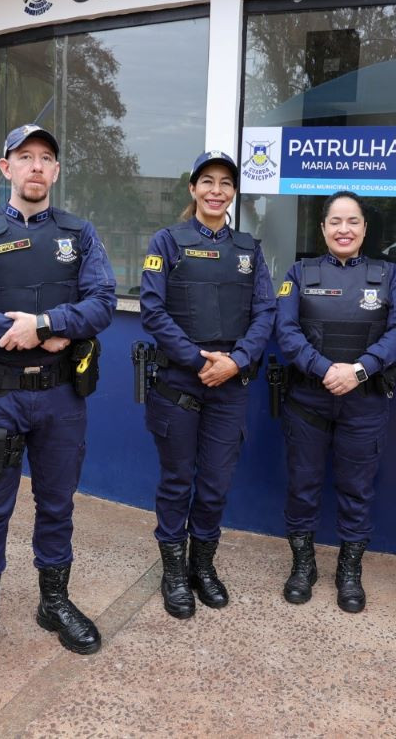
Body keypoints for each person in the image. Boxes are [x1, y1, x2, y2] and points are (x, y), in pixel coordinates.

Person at [0, 123, 116, 685]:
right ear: (5, 167)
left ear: (56, 172)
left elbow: (103, 302)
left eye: (46, 159)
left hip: (62, 398)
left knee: (57, 503)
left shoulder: (80, 234)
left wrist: (45, 323)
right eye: (25, 157)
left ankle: (53, 601)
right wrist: (19, 331)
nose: (36, 167)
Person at [138, 150, 276, 619]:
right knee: (177, 482)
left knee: (215, 484)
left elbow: (265, 313)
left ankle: (203, 566)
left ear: (234, 192)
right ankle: (173, 572)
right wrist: (201, 360)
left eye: (226, 183)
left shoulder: (249, 250)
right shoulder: (167, 242)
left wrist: (235, 361)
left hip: (230, 384)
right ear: (193, 189)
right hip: (181, 381)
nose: (217, 191)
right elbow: (152, 311)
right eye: (208, 182)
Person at [274, 191, 396, 613]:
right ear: (322, 228)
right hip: (307, 401)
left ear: (365, 229)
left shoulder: (388, 275)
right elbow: (285, 330)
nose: (344, 230)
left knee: (357, 490)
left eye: (353, 221)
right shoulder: (299, 273)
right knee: (303, 487)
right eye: (335, 221)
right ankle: (304, 566)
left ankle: (349, 572)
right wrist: (323, 369)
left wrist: (360, 369)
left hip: (364, 402)